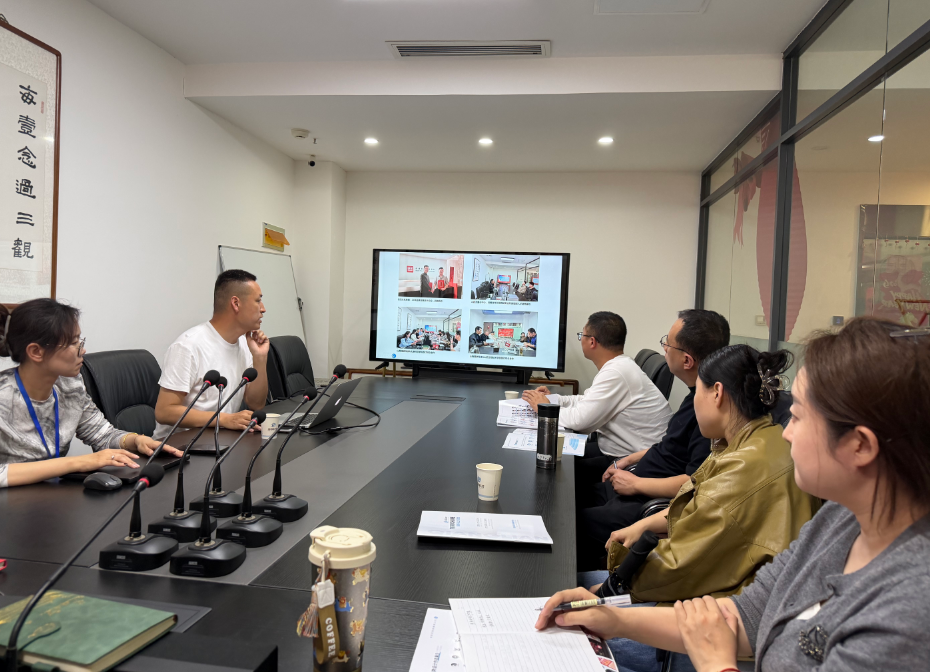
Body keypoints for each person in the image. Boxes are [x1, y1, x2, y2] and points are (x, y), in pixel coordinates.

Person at [537, 318, 930, 672]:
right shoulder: (840, 521)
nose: (787, 432)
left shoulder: (909, 609)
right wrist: (612, 618)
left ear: (860, 446)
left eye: (798, 417)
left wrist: (717, 665)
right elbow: (747, 614)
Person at [576, 309, 730, 570]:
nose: (664, 349)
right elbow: (670, 447)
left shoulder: (710, 412)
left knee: (569, 525)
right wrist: (629, 459)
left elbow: (695, 483)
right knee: (567, 497)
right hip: (633, 481)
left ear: (687, 360)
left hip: (644, 500)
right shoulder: (695, 394)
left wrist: (637, 484)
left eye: (668, 344)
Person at [0, 300, 182, 488]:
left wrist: (136, 440)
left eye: (80, 340)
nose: (83, 350)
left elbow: (101, 434)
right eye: (73, 343)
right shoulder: (4, 397)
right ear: (36, 351)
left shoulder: (70, 385)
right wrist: (77, 462)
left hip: (51, 493)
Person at [523, 312, 671, 462]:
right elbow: (587, 401)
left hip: (636, 462)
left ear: (592, 342)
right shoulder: (620, 366)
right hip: (623, 450)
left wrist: (544, 408)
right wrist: (554, 400)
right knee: (560, 457)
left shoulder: (616, 373)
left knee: (554, 464)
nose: (581, 339)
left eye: (582, 335)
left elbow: (580, 422)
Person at [154, 269, 269, 439]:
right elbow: (164, 412)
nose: (263, 309)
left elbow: (256, 404)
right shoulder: (188, 346)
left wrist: (260, 358)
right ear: (236, 303)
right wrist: (223, 419)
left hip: (218, 440)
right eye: (258, 301)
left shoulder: (245, 343)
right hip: (178, 447)